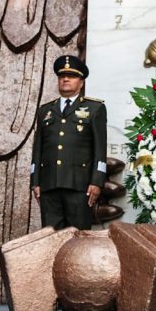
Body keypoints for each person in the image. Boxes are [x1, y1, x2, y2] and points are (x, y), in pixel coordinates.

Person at [31, 55, 107, 230]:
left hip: (79, 186)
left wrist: (97, 182)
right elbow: (38, 149)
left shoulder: (95, 108)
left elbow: (100, 149)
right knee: (51, 239)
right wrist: (35, 182)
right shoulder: (45, 111)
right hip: (49, 186)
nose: (65, 79)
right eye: (61, 76)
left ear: (81, 82)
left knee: (78, 240)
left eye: (71, 76)